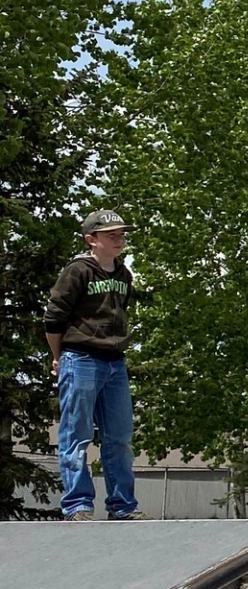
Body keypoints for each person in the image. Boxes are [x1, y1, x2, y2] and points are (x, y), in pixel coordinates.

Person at [42, 209, 147, 521]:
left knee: (119, 438)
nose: (119, 239)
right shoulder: (78, 271)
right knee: (76, 434)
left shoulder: (123, 275)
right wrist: (58, 356)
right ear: (91, 239)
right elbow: (54, 317)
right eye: (111, 234)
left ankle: (122, 506)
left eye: (122, 234)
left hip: (115, 361)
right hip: (81, 358)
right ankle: (77, 504)